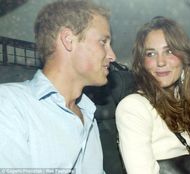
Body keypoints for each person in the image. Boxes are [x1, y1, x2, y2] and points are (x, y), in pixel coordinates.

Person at [0, 1, 116, 174]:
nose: (112, 56)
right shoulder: (9, 104)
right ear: (68, 40)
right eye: (103, 42)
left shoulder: (87, 113)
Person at [115, 16, 190, 174]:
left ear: (184, 58)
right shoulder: (134, 107)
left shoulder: (184, 102)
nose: (161, 62)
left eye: (169, 51)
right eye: (151, 54)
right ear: (142, 63)